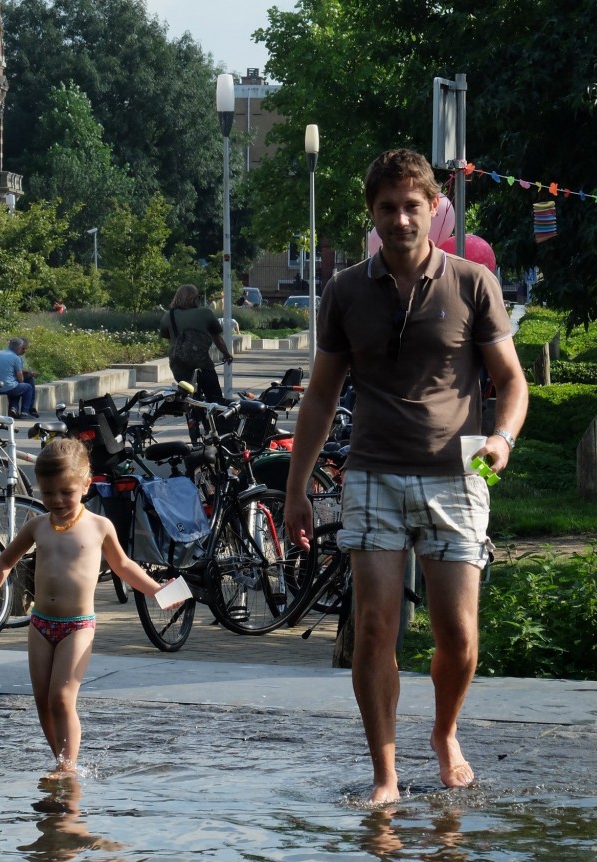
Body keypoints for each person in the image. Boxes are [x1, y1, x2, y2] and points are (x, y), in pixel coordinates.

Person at [284, 148, 529, 805]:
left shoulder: (471, 283)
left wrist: (501, 438)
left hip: (457, 475)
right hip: (372, 477)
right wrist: (297, 489)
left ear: (432, 210)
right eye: (386, 208)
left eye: (410, 206)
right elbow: (319, 397)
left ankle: (444, 732)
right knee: (373, 627)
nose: (399, 219)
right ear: (371, 214)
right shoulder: (344, 293)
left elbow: (509, 382)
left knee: (458, 635)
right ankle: (384, 776)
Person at [0, 437, 173, 774]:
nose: (56, 500)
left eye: (65, 492)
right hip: (40, 624)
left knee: (62, 699)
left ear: (85, 484)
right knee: (42, 703)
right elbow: (4, 562)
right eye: (48, 493)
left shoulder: (99, 527)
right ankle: (60, 762)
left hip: (78, 626)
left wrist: (156, 590)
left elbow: (124, 566)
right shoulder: (37, 526)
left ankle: (69, 767)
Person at [159, 283, 233, 406]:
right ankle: (217, 422)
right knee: (215, 398)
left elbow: (167, 337)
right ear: (195, 298)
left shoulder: (169, 315)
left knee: (187, 396)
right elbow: (217, 338)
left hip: (179, 364)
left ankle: (192, 417)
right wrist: (226, 354)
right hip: (202, 363)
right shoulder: (205, 313)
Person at [0, 336, 39, 419]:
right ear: (19, 348)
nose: (24, 351)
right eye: (23, 348)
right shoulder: (16, 358)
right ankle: (25, 412)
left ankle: (14, 408)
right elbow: (21, 379)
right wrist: (28, 375)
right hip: (6, 388)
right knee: (27, 387)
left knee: (16, 386)